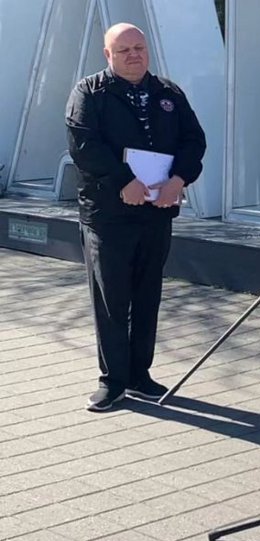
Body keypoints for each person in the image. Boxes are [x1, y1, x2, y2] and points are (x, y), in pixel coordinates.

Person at [66, 23, 206, 412]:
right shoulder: (89, 93)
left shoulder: (167, 93)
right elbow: (83, 144)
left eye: (139, 48)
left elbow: (194, 140)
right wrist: (122, 181)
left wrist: (179, 180)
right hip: (109, 212)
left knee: (148, 295)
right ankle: (113, 381)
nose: (133, 55)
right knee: (112, 298)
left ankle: (139, 374)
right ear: (107, 55)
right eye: (124, 49)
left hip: (156, 210)